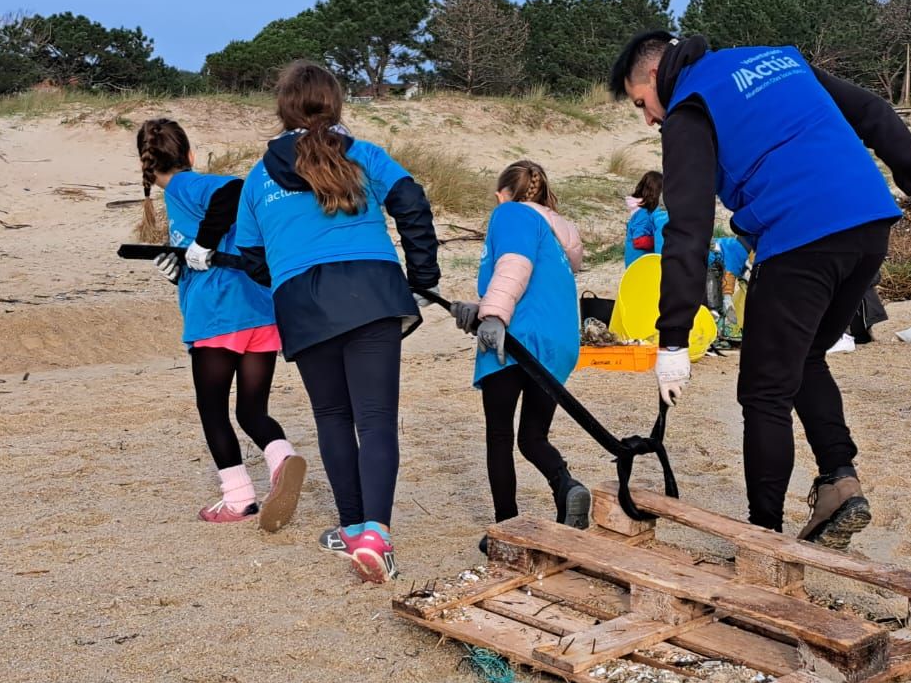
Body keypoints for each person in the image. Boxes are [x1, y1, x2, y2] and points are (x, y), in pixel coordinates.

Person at [609, 32, 911, 546]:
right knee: (805, 358)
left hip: (801, 239)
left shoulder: (691, 106)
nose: (648, 118)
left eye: (642, 103)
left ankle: (765, 538)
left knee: (763, 391)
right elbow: (871, 111)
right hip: (868, 228)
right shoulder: (778, 60)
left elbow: (687, 229)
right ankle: (839, 481)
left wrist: (672, 340)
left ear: (655, 74)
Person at [233, 62, 441, 582]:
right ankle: (376, 534)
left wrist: (287, 274)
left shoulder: (259, 177)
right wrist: (421, 274)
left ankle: (351, 527)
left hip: (303, 299)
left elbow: (250, 256)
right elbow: (411, 202)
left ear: (283, 107)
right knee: (375, 418)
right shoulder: (365, 155)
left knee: (331, 415)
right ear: (336, 103)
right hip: (372, 289)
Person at [136, 118, 305, 529]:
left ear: (145, 165)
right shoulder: (184, 198)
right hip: (259, 314)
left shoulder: (183, 186)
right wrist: (180, 268)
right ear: (190, 152)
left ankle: (238, 497)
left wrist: (201, 243)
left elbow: (232, 191)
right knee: (251, 409)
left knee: (212, 410)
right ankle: (282, 458)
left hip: (217, 317)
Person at [450, 160, 589, 550]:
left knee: (499, 434)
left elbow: (514, 266)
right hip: (556, 342)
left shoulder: (510, 214)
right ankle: (567, 486)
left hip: (516, 337)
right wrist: (477, 309)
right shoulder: (553, 230)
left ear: (502, 193)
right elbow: (534, 285)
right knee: (532, 436)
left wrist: (491, 316)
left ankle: (507, 528)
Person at [623, 170, 668, 266]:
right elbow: (639, 241)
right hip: (638, 264)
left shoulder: (644, 211)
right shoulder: (643, 213)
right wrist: (657, 240)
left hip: (641, 261)